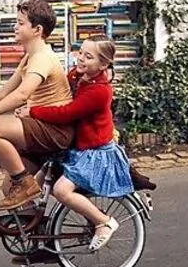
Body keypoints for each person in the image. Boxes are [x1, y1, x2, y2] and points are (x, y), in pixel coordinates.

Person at [0, 0, 75, 211]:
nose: (15, 27)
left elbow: (21, 95)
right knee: (8, 186)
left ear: (37, 29)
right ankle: (35, 235)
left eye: (20, 23)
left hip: (56, 131)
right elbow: (3, 93)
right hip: (43, 127)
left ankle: (26, 184)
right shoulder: (30, 57)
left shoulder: (42, 58)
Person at [17, 34, 133, 251]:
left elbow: (68, 112)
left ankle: (103, 222)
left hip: (95, 152)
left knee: (61, 191)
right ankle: (38, 232)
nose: (81, 59)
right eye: (80, 53)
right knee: (37, 185)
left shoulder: (99, 90)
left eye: (88, 57)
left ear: (103, 64)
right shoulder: (80, 77)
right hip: (79, 147)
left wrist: (33, 111)